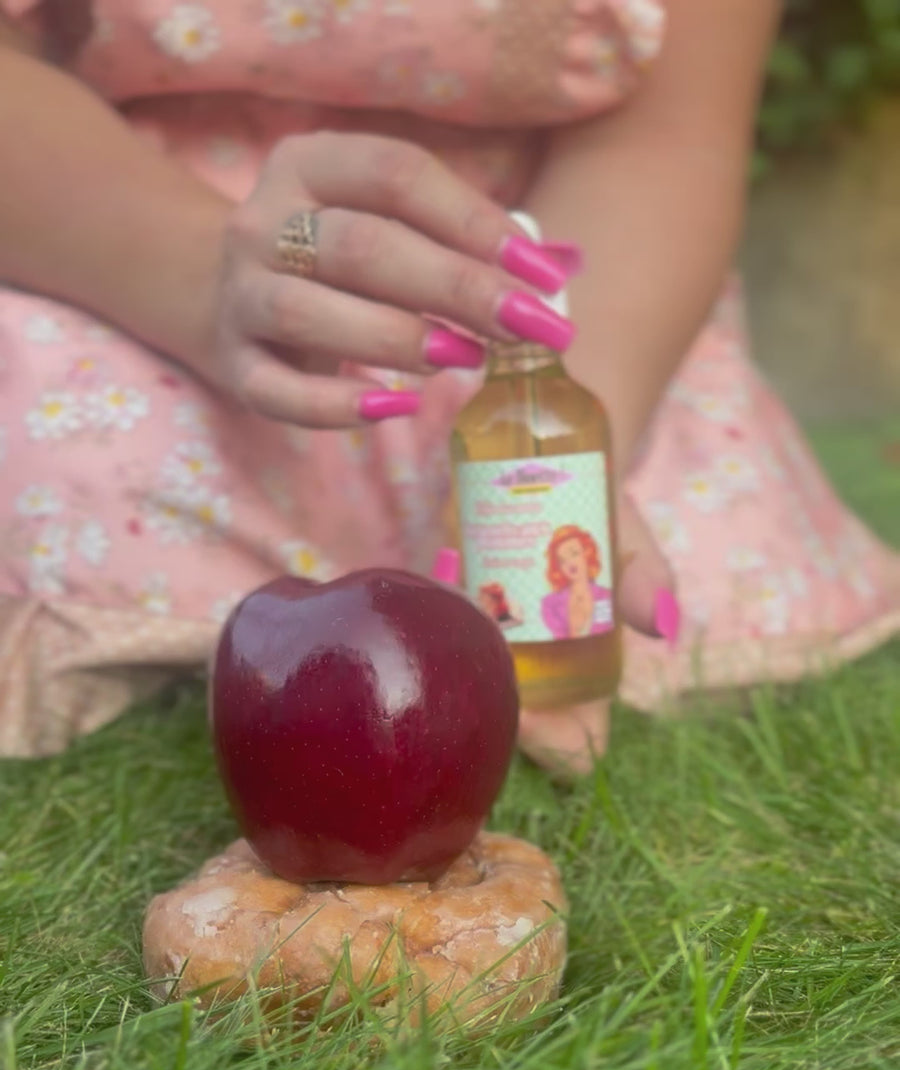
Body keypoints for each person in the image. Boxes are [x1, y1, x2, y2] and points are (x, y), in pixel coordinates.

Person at [1, 0, 898, 769]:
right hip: (121, 248)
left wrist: (566, 419)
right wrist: (208, 275)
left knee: (635, 549)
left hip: (579, 300)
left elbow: (669, 141)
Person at [541, 525, 614, 641]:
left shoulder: (605, 596)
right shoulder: (550, 604)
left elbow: (604, 634)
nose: (569, 563)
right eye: (562, 560)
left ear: (587, 553)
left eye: (574, 553)